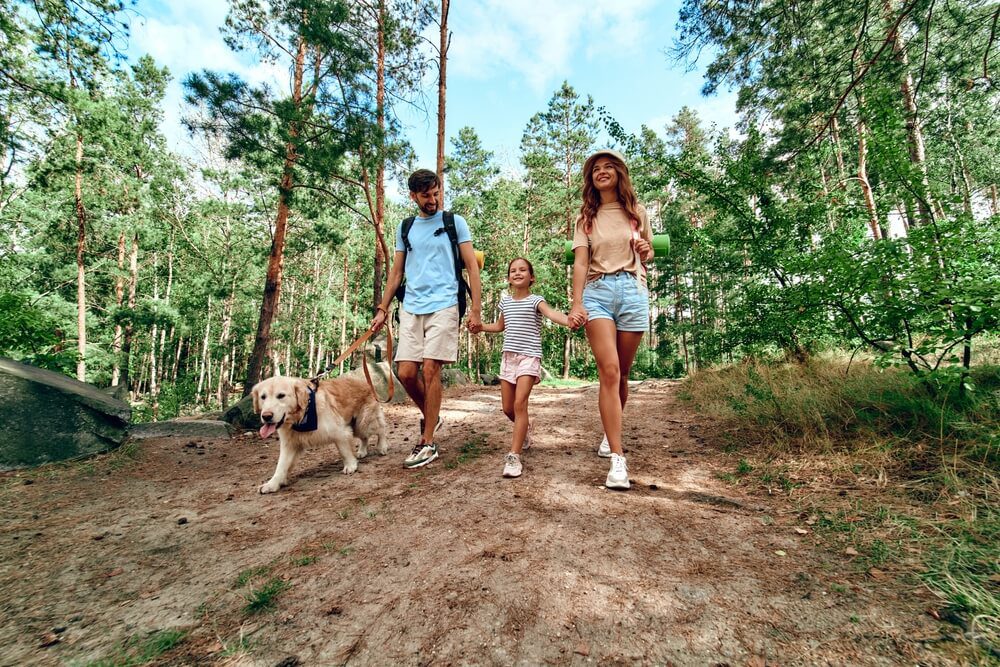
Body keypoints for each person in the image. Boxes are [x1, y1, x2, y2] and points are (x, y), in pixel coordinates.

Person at [370, 169, 482, 469]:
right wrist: (382, 308)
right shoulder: (405, 227)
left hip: (445, 303)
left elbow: (471, 266)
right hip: (411, 306)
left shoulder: (453, 222)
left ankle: (428, 441)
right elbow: (396, 273)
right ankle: (433, 415)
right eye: (426, 196)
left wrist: (475, 309)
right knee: (406, 372)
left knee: (431, 368)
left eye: (436, 193)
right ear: (413, 196)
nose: (432, 200)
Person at [568, 149, 654, 490]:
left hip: (633, 290)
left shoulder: (638, 213)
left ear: (619, 173)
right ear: (590, 179)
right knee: (610, 370)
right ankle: (618, 460)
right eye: (595, 169)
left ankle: (609, 432)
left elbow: (645, 251)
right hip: (597, 292)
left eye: (608, 167)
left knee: (623, 375)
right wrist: (577, 304)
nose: (601, 172)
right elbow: (579, 263)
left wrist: (646, 251)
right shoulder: (586, 218)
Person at [479, 258, 570, 478]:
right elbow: (500, 326)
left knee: (520, 404)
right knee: (508, 408)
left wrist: (570, 320)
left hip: (529, 358)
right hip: (508, 358)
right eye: (513, 270)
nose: (517, 273)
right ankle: (525, 430)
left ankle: (514, 456)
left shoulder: (536, 300)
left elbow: (552, 314)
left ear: (532, 277)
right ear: (508, 278)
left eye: (522, 270)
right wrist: (480, 326)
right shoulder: (505, 303)